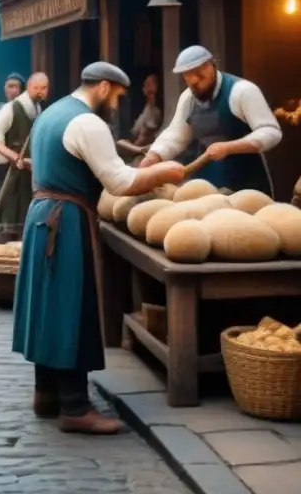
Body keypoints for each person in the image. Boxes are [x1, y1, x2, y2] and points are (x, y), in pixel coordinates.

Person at [12, 62, 186, 434]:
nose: (117, 104)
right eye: (118, 96)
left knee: (50, 309)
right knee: (71, 309)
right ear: (104, 87)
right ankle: (75, 407)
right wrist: (163, 172)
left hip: (43, 214)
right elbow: (119, 181)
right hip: (67, 220)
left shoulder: (52, 112)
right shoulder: (88, 122)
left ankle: (46, 394)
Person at [138, 46, 281, 195]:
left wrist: (229, 147)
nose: (196, 86)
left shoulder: (243, 91)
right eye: (190, 82)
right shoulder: (188, 98)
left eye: (200, 77)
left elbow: (271, 132)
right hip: (206, 182)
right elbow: (176, 134)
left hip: (246, 182)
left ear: (211, 65)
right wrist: (153, 156)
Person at [0, 72, 50, 244]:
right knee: (10, 208)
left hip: (32, 169)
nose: (41, 92)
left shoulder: (38, 109)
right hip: (12, 168)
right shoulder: (10, 108)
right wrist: (15, 158)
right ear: (29, 87)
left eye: (44, 88)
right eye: (37, 88)